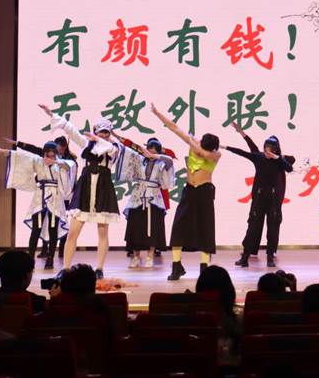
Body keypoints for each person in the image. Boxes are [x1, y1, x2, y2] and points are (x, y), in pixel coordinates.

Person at [40, 104, 121, 280]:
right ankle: (65, 268)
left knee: (102, 230)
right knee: (73, 231)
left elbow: (109, 149)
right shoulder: (87, 144)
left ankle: (99, 268)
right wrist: (51, 113)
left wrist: (98, 139)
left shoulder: (114, 147)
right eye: (100, 132)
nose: (103, 135)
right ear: (95, 130)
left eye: (106, 132)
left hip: (103, 187)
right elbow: (70, 129)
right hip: (85, 186)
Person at [150, 103, 222, 281]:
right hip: (189, 190)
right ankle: (176, 266)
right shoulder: (194, 143)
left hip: (205, 191)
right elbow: (174, 127)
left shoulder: (216, 154)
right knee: (179, 227)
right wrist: (158, 113)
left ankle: (204, 268)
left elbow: (206, 155)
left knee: (205, 229)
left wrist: (194, 144)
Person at [0, 141, 75, 270]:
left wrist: (55, 162)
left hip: (55, 197)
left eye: (52, 155)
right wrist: (4, 152)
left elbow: (70, 166)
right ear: (44, 153)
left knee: (53, 229)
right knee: (36, 229)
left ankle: (50, 259)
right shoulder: (38, 161)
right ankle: (30, 260)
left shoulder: (60, 163)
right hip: (40, 196)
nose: (50, 158)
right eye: (47, 155)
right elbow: (21, 157)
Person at [226, 123, 295, 268]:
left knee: (273, 226)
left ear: (276, 149)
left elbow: (290, 167)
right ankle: (245, 257)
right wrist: (227, 145)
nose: (267, 150)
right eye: (266, 147)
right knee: (253, 226)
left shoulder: (280, 161)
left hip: (274, 199)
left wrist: (277, 157)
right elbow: (244, 151)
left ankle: (270, 257)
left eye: (271, 148)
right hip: (259, 197)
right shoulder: (259, 157)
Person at [114, 135, 176, 269]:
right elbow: (127, 152)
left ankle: (150, 256)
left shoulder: (162, 163)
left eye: (154, 152)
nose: (150, 155)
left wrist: (156, 157)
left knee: (153, 228)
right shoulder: (139, 160)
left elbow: (170, 162)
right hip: (138, 196)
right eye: (149, 151)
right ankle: (136, 257)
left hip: (154, 198)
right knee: (135, 227)